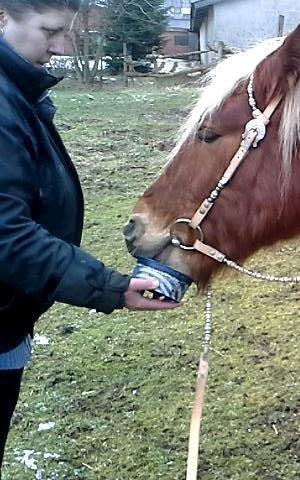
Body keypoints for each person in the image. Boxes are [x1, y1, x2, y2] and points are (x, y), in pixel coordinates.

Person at [0, 0, 179, 473]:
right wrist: (112, 288)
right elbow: (5, 235)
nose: (60, 47)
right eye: (49, 31)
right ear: (3, 19)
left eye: (66, 32)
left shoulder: (16, 93)